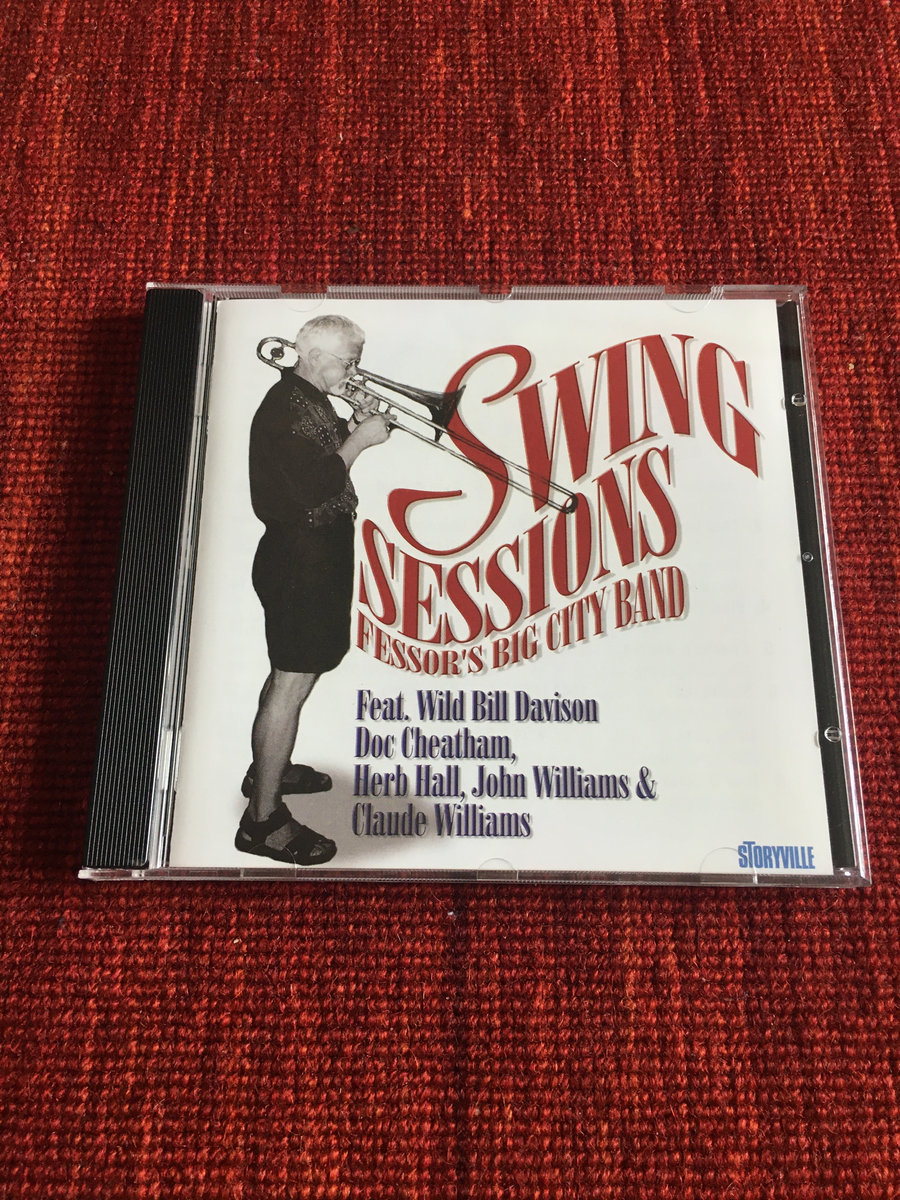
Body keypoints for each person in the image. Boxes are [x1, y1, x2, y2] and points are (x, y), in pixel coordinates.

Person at [236, 314, 390, 863]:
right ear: (315, 355)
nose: (354, 371)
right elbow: (315, 485)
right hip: (299, 560)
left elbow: (316, 461)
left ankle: (268, 769)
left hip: (316, 555)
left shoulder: (308, 398)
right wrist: (361, 441)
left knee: (292, 674)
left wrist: (352, 426)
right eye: (348, 361)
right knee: (292, 682)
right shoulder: (283, 408)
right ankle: (262, 821)